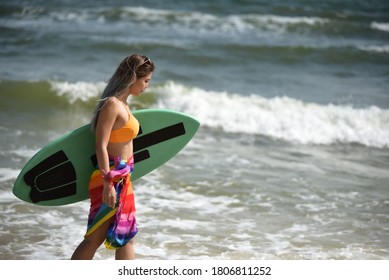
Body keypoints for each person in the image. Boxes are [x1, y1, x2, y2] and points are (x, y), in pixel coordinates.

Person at [71, 54, 155, 260]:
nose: (147, 86)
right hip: (109, 177)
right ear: (133, 77)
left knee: (126, 236)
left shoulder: (125, 105)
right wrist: (108, 182)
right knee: (95, 237)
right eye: (146, 81)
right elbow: (100, 144)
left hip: (122, 177)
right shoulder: (112, 104)